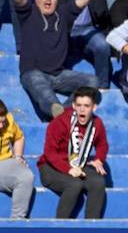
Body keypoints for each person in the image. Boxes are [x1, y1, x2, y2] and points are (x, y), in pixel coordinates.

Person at [14, 0, 104, 120]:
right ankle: (58, 112)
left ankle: (65, 111)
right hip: (33, 73)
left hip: (59, 75)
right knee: (43, 90)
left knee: (92, 81)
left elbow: (83, 0)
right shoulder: (29, 13)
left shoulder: (63, 13)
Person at [36, 86, 108, 219]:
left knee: (98, 183)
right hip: (50, 167)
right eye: (79, 105)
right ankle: (60, 227)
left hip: (78, 163)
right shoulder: (60, 122)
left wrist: (99, 159)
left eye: (86, 106)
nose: (82, 109)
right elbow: (49, 153)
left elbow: (102, 144)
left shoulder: (97, 123)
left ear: (94, 107)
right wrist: (68, 169)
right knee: (74, 184)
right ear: (74, 105)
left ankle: (92, 228)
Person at [0, 99, 35, 219]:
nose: (1, 126)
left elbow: (19, 138)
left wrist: (18, 156)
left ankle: (16, 222)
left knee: (26, 176)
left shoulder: (9, 120)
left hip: (5, 162)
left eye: (2, 122)